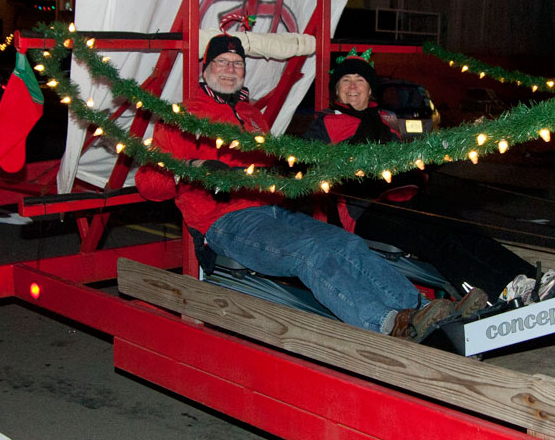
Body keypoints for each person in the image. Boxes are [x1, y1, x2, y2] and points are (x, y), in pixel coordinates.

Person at [136, 34, 468, 341]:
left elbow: (270, 170)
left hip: (272, 210)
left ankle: (421, 309)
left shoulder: (252, 115)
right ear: (205, 69)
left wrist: (294, 178)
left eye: (237, 64)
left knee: (346, 243)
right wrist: (189, 168)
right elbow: (148, 184)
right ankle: (383, 323)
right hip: (224, 222)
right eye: (221, 62)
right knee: (310, 254)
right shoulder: (183, 117)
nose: (230, 69)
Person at [304, 52, 536, 302]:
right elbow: (312, 166)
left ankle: (532, 278)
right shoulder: (325, 123)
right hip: (363, 211)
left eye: (359, 80)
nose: (352, 86)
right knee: (435, 238)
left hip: (404, 197)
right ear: (336, 89)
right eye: (345, 80)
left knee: (463, 227)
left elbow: (408, 160)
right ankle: (500, 290)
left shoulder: (385, 118)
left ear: (369, 88)